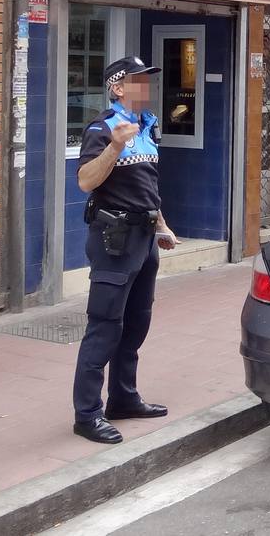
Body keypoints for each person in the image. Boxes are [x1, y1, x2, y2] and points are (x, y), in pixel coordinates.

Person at [71, 56, 182, 444]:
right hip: (113, 241)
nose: (146, 88)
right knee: (104, 327)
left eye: (149, 81)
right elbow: (85, 181)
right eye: (138, 81)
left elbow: (145, 188)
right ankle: (86, 414)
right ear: (118, 88)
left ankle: (123, 398)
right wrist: (114, 147)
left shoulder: (146, 128)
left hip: (144, 238)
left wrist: (162, 225)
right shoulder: (103, 129)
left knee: (136, 324)